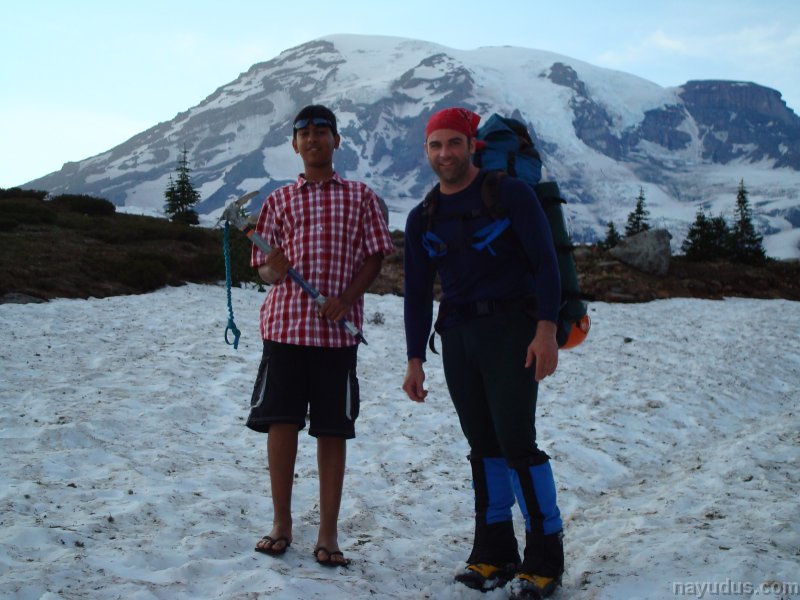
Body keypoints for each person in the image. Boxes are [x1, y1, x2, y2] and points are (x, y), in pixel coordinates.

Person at [402, 107, 565, 599]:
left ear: (472, 145)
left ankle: (545, 558)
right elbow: (416, 293)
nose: (445, 153)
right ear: (426, 151)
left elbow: (546, 264)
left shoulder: (509, 194)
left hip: (512, 333)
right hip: (458, 338)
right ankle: (494, 552)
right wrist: (414, 359)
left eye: (454, 143)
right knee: (483, 445)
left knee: (517, 442)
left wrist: (546, 330)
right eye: (435, 145)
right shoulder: (423, 215)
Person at [247, 104, 394, 567]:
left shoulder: (361, 197)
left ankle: (328, 532)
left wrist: (346, 300)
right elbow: (264, 271)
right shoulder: (278, 201)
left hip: (336, 337)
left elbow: (375, 255)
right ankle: (281, 523)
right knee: (281, 424)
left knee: (332, 430)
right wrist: (274, 268)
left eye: (321, 131)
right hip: (285, 329)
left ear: (336, 140)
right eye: (304, 132)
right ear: (294, 144)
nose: (312, 138)